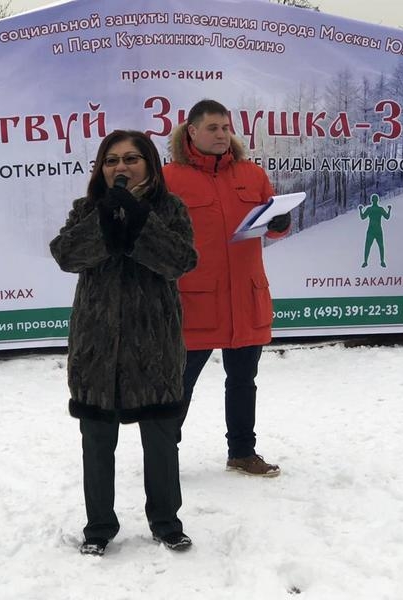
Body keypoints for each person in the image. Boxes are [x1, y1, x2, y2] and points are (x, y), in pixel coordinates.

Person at [50, 130, 198, 556]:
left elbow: (180, 261)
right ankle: (98, 527)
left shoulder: (170, 208)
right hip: (96, 345)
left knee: (160, 439)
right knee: (97, 440)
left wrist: (138, 219)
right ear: (101, 168)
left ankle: (166, 522)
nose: (121, 167)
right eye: (111, 160)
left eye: (131, 158)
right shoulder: (86, 209)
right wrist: (104, 218)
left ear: (149, 164)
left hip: (155, 345)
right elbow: (66, 255)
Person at [164, 99, 290, 478]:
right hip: (195, 301)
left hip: (246, 298)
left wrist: (280, 223)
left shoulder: (252, 174)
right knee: (179, 384)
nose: (222, 135)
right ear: (192, 132)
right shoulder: (169, 179)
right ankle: (162, 454)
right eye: (213, 128)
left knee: (243, 381)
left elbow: (275, 227)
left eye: (225, 128)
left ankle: (242, 452)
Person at [358, 193, 392, 268]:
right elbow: (387, 217)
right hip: (378, 230)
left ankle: (365, 262)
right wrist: (389, 209)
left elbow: (363, 217)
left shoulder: (369, 209)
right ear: (377, 200)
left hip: (371, 230)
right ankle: (382, 261)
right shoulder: (380, 209)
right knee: (381, 246)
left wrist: (360, 210)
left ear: (372, 201)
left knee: (368, 246)